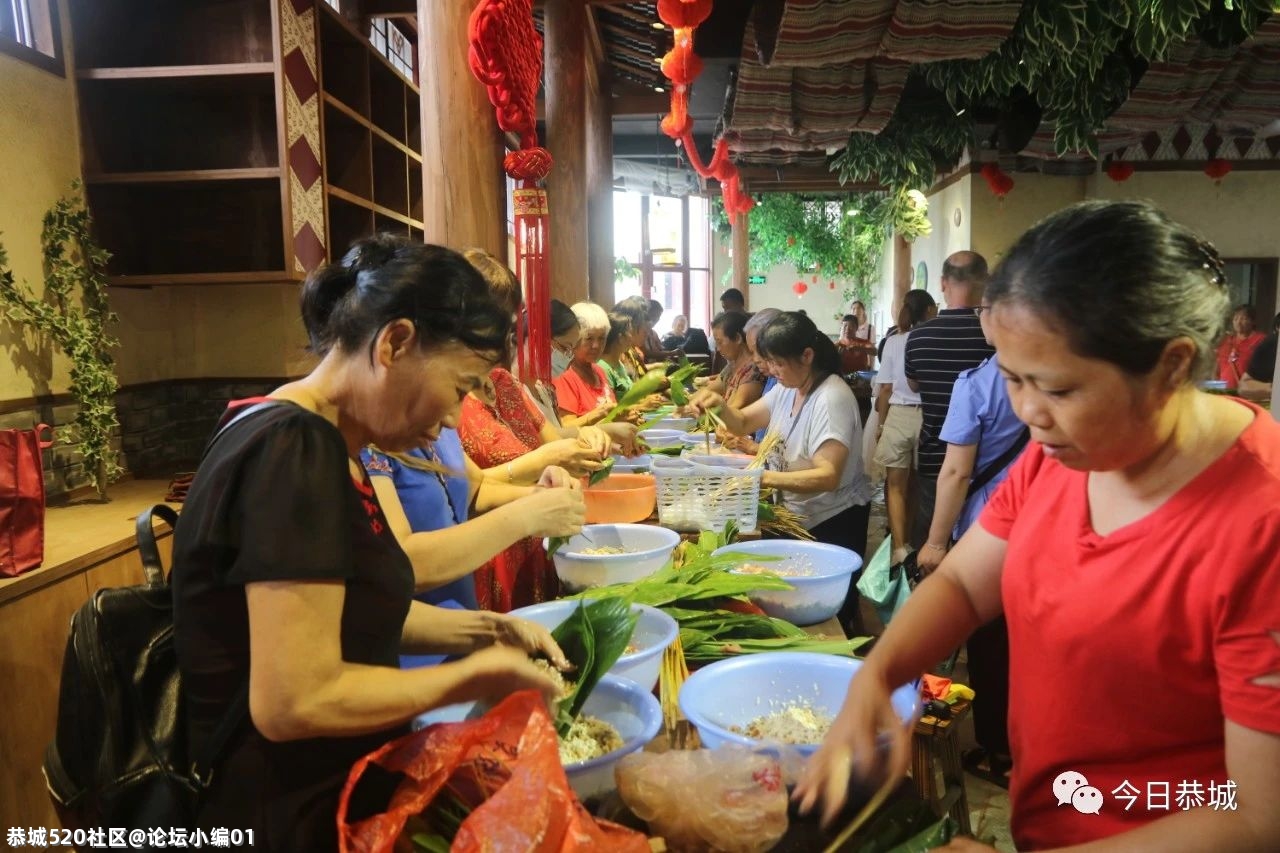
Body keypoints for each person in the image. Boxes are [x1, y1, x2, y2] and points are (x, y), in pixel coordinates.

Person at [795, 200, 1280, 851]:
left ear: (1170, 365)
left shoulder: (1261, 526)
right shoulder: (1067, 454)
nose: (1029, 411)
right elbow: (967, 585)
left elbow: (1257, 815)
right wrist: (878, 673)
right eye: (1011, 378)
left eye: (1057, 389)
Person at [171, 237, 570, 850]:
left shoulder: (304, 433)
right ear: (395, 342)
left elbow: (348, 614)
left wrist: (490, 631)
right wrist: (470, 679)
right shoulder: (294, 450)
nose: (451, 419)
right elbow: (294, 701)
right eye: (461, 387)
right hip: (285, 813)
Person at [690, 311, 873, 635]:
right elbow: (744, 422)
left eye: (777, 362)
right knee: (789, 609)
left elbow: (827, 476)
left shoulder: (831, 397)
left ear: (807, 355)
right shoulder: (788, 387)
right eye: (768, 362)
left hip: (831, 523)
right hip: (794, 516)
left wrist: (762, 479)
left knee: (821, 618)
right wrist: (719, 406)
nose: (770, 370)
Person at [914, 306, 1028, 791]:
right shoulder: (1059, 378)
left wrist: (935, 543)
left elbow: (957, 471)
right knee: (1027, 645)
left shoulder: (978, 383)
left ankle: (999, 751)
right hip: (1043, 531)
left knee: (991, 646)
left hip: (990, 534)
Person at [361, 428, 584, 611]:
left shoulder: (441, 424)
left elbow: (474, 491)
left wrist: (541, 496)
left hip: (462, 620)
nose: (454, 418)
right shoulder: (362, 448)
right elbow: (403, 563)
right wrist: (526, 515)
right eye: (459, 389)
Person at [904, 251, 995, 548]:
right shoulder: (994, 337)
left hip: (935, 455)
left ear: (943, 283)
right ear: (985, 281)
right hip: (990, 461)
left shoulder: (917, 338)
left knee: (933, 544)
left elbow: (913, 385)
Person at [872, 290, 937, 566]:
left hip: (898, 415)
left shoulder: (893, 342)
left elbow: (885, 388)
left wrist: (882, 424)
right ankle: (922, 542)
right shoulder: (933, 339)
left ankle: (899, 547)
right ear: (930, 310)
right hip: (929, 416)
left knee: (896, 486)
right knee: (922, 485)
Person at [554, 302, 620, 427]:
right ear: (574, 339)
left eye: (602, 338)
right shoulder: (564, 375)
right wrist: (598, 414)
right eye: (589, 339)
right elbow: (566, 427)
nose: (596, 346)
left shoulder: (599, 371)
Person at [702, 311, 767, 410]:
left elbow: (736, 409)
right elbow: (708, 391)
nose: (718, 349)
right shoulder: (731, 366)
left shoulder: (754, 370)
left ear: (737, 338)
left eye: (720, 342)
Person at [1216, 304, 1266, 390]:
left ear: (1253, 321)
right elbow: (1217, 367)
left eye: (1243, 319)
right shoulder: (1226, 341)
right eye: (1235, 319)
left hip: (1247, 394)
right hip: (1224, 393)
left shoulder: (1261, 340)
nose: (1238, 322)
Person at [599, 311, 637, 399]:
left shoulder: (619, 363)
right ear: (620, 338)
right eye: (630, 332)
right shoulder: (602, 368)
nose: (632, 337)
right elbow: (611, 406)